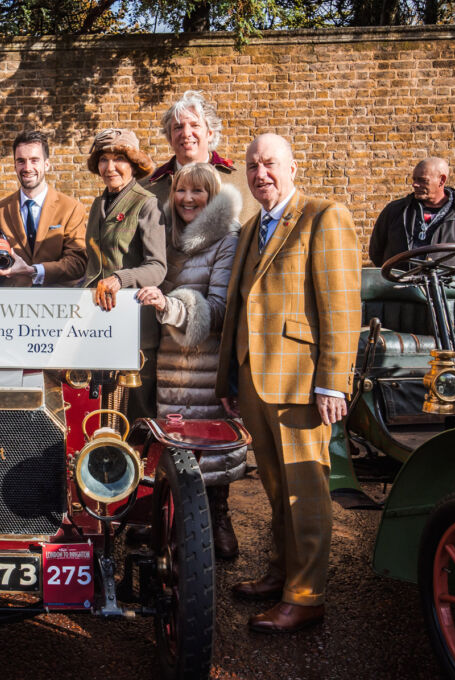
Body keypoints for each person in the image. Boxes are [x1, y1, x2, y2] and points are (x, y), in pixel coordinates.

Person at [215, 134, 361, 633]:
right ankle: (281, 574)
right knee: (276, 489)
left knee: (305, 490)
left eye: (270, 164)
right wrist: (230, 376)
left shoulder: (324, 215)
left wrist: (333, 383)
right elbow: (241, 306)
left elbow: (341, 306)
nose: (261, 174)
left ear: (293, 167)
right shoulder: (253, 226)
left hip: (301, 381)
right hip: (255, 376)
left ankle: (307, 595)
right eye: (253, 166)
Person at [136, 162, 245, 560]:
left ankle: (217, 518)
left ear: (212, 195)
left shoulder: (227, 239)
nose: (187, 199)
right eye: (181, 190)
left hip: (207, 361)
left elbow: (218, 310)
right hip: (170, 360)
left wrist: (170, 305)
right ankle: (180, 523)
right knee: (175, 445)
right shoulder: (166, 235)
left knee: (210, 448)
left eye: (198, 191)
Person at [85, 128, 167, 421]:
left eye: (118, 159)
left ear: (133, 164)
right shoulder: (98, 204)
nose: (110, 167)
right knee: (101, 412)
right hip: (99, 324)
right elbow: (92, 267)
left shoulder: (146, 204)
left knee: (135, 415)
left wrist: (121, 279)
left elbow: (158, 267)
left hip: (136, 329)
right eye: (104, 160)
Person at [0, 130, 87, 286]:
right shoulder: (0, 209)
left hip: (56, 302)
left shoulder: (71, 208)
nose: (27, 167)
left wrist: (35, 270)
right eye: (21, 161)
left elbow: (78, 263)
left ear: (46, 164)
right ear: (15, 165)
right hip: (13, 302)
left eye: (34, 160)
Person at [144, 90, 256, 224]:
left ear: (209, 133)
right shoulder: (147, 188)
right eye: (178, 127)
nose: (186, 133)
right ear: (170, 137)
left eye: (195, 125)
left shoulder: (245, 181)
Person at [368, 157, 455, 267]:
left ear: (441, 180)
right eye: (414, 179)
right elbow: (376, 252)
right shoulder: (395, 211)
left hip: (445, 286)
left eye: (422, 180)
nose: (415, 184)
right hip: (400, 284)